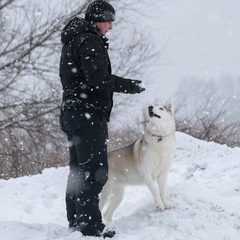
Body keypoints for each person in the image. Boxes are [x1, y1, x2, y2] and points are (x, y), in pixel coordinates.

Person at [59, 0, 145, 238]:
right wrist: (129, 85)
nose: (111, 27)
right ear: (98, 20)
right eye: (109, 21)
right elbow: (97, 78)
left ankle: (76, 222)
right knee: (94, 171)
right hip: (87, 116)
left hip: (72, 113)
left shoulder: (74, 39)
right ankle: (90, 227)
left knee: (78, 171)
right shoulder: (89, 40)